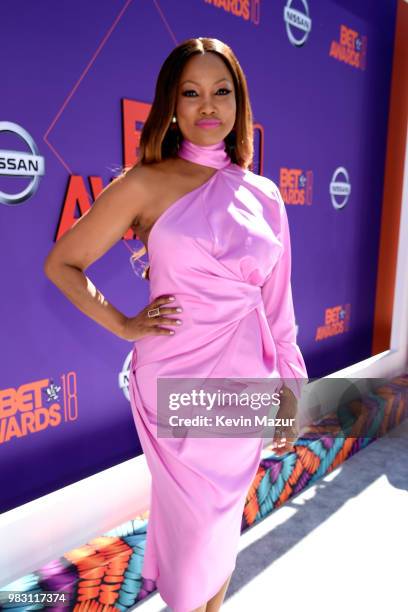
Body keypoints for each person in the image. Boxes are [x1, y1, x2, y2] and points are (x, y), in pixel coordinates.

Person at [44, 37, 308, 612]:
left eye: (222, 92)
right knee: (193, 540)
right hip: (175, 384)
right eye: (191, 93)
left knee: (218, 534)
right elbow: (63, 263)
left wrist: (289, 399)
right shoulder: (145, 184)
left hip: (246, 387)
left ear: (240, 104)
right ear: (171, 102)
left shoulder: (265, 196)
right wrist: (124, 325)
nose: (207, 106)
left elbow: (280, 311)